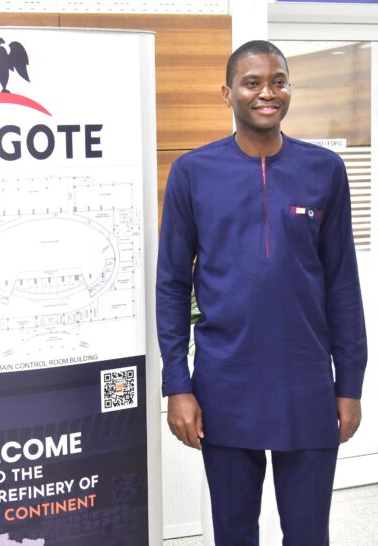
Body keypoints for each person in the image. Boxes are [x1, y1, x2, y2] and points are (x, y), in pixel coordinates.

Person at [157, 40, 367, 546]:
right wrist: (177, 385)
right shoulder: (193, 173)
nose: (267, 93)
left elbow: (342, 284)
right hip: (225, 385)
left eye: (278, 81)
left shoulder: (324, 171)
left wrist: (350, 384)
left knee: (307, 532)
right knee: (233, 533)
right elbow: (171, 284)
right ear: (227, 93)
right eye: (253, 83)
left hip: (308, 386)